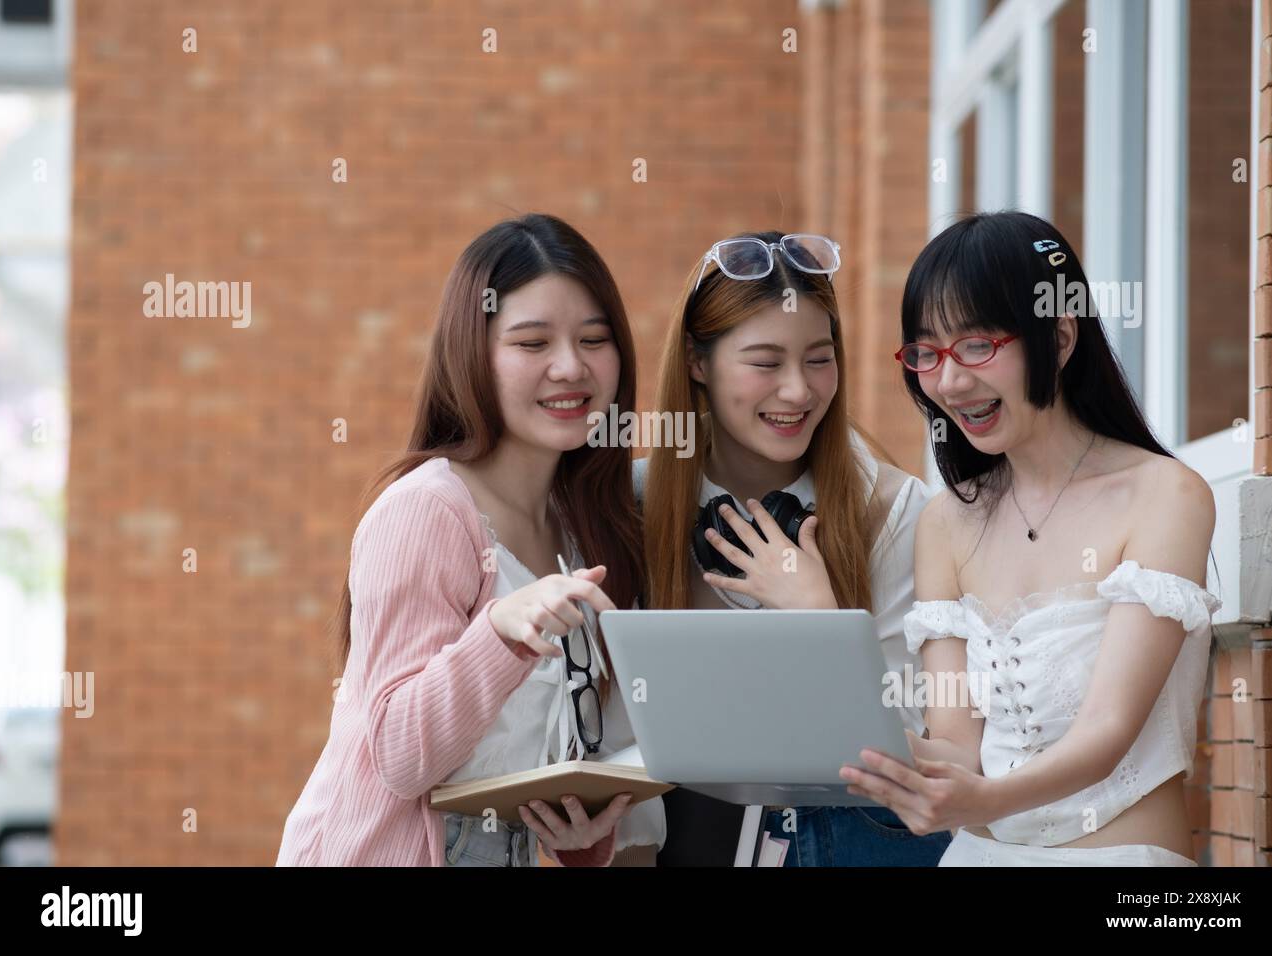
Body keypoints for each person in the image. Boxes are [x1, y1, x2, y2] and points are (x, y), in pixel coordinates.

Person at [277, 213, 663, 866]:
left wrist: (579, 842)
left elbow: (521, 773)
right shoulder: (425, 511)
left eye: (594, 340)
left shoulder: (581, 527)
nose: (570, 367)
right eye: (532, 343)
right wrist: (502, 633)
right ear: (472, 353)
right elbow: (400, 756)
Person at [842, 211, 1217, 866]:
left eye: (978, 345)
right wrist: (855, 740)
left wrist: (982, 800)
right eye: (926, 354)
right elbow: (957, 743)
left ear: (1061, 337)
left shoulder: (1166, 496)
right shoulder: (946, 522)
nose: (950, 381)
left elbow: (1108, 729)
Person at [637, 230, 951, 866]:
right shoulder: (634, 505)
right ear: (698, 363)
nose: (799, 391)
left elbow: (910, 759)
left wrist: (821, 622)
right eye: (764, 362)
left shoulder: (896, 513)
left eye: (818, 357)